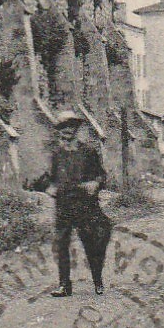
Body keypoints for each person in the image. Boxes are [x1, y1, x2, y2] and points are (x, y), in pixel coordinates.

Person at [35, 111, 112, 297]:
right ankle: (64, 285)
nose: (67, 130)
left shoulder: (88, 152)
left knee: (90, 243)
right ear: (59, 131)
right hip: (63, 205)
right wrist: (48, 187)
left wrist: (95, 183)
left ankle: (97, 280)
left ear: (76, 129)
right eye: (63, 127)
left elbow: (101, 176)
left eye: (71, 126)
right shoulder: (56, 154)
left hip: (85, 205)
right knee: (61, 244)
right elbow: (45, 178)